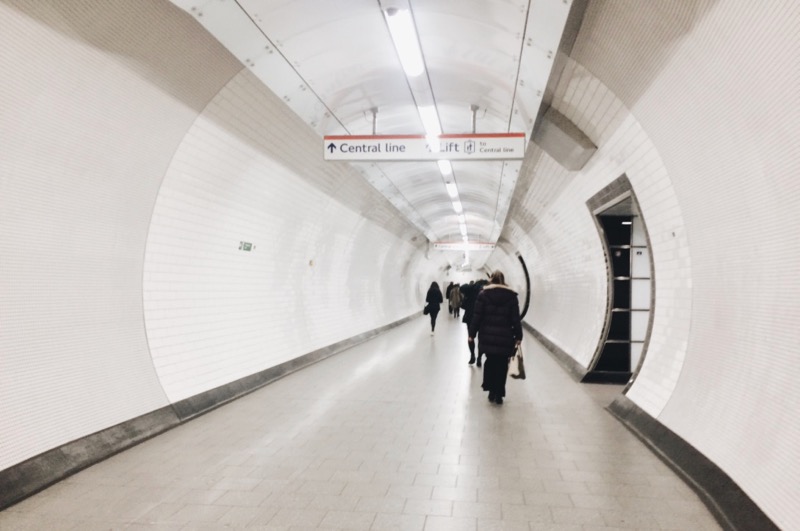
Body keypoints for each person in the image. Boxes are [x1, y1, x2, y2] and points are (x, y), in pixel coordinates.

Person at [468, 271, 522, 405]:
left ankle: (491, 391)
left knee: (490, 362)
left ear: (491, 280)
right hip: (506, 337)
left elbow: (477, 316)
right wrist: (518, 336)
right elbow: (515, 319)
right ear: (503, 280)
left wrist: (472, 333)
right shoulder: (512, 296)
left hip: (487, 335)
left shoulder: (483, 294)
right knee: (502, 365)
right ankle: (499, 394)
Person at [461, 279, 488, 366]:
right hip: (483, 318)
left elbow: (462, 288)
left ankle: (472, 354)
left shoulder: (471, 289)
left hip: (470, 317)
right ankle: (479, 357)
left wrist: (471, 285)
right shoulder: (488, 290)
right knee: (481, 338)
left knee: (471, 337)